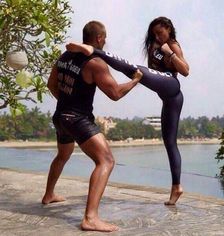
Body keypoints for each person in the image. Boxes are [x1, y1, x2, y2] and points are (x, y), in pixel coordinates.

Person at [66, 17, 189, 205]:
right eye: (154, 33)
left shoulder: (172, 44)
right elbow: (150, 72)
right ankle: (177, 187)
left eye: (160, 32)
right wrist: (139, 78)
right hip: (168, 99)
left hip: (172, 86)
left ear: (169, 29)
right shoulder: (153, 46)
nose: (157, 36)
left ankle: (95, 52)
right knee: (170, 143)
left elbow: (186, 70)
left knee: (134, 68)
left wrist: (170, 54)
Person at [42, 21, 142, 232]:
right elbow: (115, 93)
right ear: (99, 39)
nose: (105, 42)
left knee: (62, 155)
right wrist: (135, 81)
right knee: (106, 160)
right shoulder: (95, 62)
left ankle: (49, 195)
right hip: (77, 119)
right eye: (104, 39)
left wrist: (66, 103)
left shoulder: (64, 57)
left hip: (61, 117)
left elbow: (51, 84)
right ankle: (90, 218)